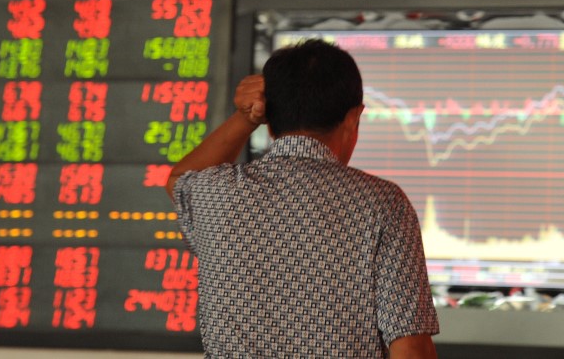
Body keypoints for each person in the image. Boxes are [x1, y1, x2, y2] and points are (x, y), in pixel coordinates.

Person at [167, 39, 439, 358]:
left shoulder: (214, 193)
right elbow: (411, 348)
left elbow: (179, 178)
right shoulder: (384, 204)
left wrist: (245, 118)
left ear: (269, 122)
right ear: (353, 118)